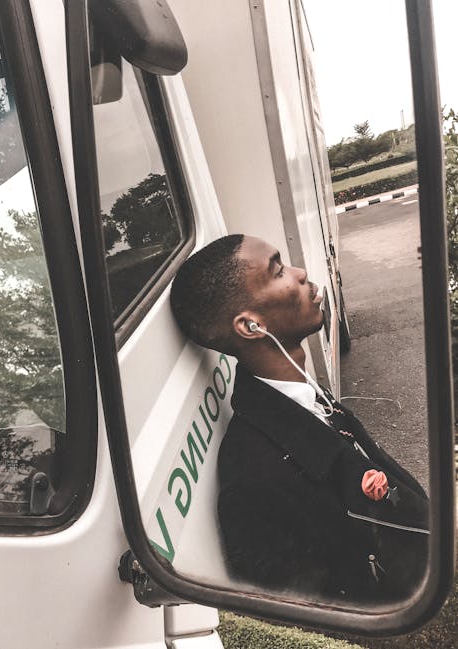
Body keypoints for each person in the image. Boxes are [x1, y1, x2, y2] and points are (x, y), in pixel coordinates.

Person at [170, 234, 428, 602]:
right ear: (250, 326)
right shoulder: (252, 483)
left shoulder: (302, 397)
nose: (302, 273)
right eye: (279, 271)